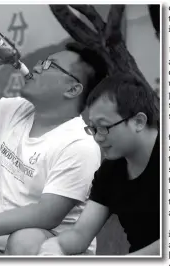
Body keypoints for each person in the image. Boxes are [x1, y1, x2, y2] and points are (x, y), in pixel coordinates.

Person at [0, 42, 107, 255]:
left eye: (51, 65)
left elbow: (47, 214)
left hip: (49, 251)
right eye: (42, 61)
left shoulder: (79, 144)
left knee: (25, 239)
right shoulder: (17, 110)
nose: (38, 67)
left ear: (72, 89)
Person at [38, 73, 160, 256]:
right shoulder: (110, 172)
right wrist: (56, 247)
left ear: (138, 121)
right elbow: (79, 236)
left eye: (104, 127)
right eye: (93, 128)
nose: (97, 137)